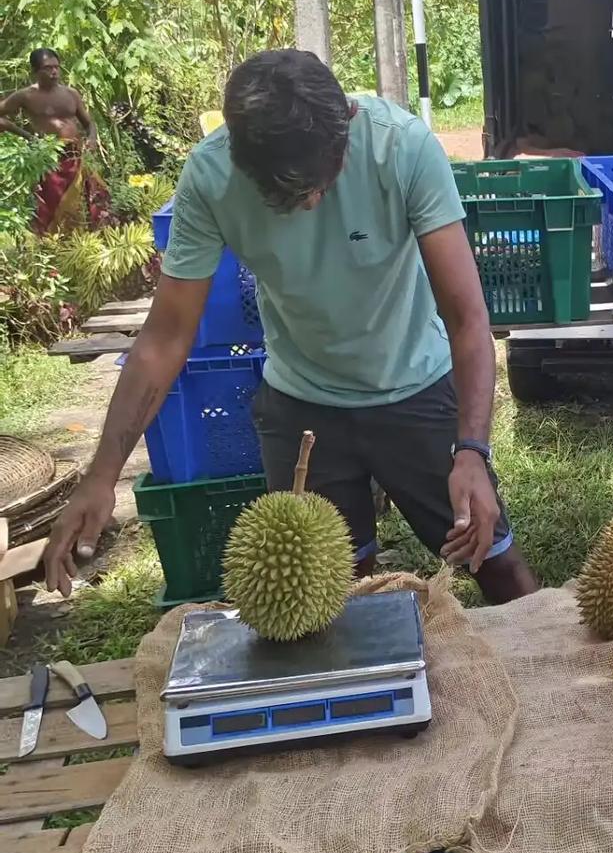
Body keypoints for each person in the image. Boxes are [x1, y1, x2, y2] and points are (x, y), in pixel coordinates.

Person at [44, 49, 539, 604]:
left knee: (497, 568)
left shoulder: (402, 147)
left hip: (416, 388)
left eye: (318, 186)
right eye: (287, 196)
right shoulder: (210, 177)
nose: (309, 206)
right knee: (329, 595)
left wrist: (471, 450)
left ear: (346, 123)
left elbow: (468, 317)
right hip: (302, 405)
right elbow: (164, 339)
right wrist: (103, 473)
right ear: (242, 159)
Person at [0, 47, 109, 233]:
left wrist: (91, 139)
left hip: (77, 157)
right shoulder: (26, 96)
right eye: (48, 68)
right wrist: (25, 136)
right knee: (50, 208)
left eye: (57, 67)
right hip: (49, 161)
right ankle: (54, 252)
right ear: (35, 71)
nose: (54, 72)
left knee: (94, 204)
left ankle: (89, 246)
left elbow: (89, 124)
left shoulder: (71, 94)